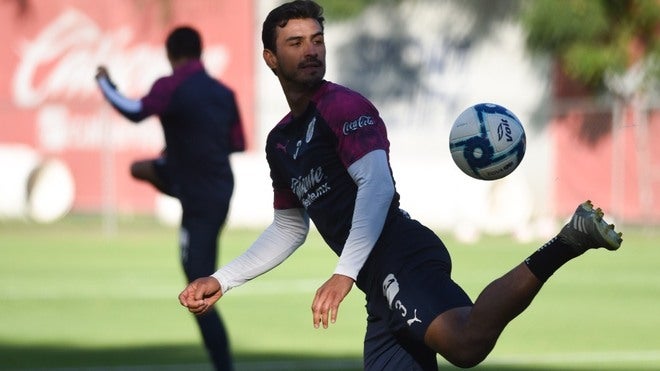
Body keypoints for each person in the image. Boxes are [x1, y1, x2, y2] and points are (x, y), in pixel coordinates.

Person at [178, 2, 623, 370]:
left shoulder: (344, 106)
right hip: (379, 284)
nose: (310, 50)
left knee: (465, 344)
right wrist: (223, 278)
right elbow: (290, 228)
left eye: (317, 40)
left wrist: (343, 273)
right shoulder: (281, 142)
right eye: (295, 43)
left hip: (402, 255)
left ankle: (570, 238)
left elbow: (376, 188)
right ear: (270, 58)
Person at [96, 26, 245, 371]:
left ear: (170, 54)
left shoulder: (172, 85)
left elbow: (134, 110)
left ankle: (224, 366)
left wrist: (105, 84)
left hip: (195, 195)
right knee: (141, 167)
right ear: (200, 51)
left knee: (198, 290)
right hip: (218, 190)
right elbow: (235, 143)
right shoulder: (223, 92)